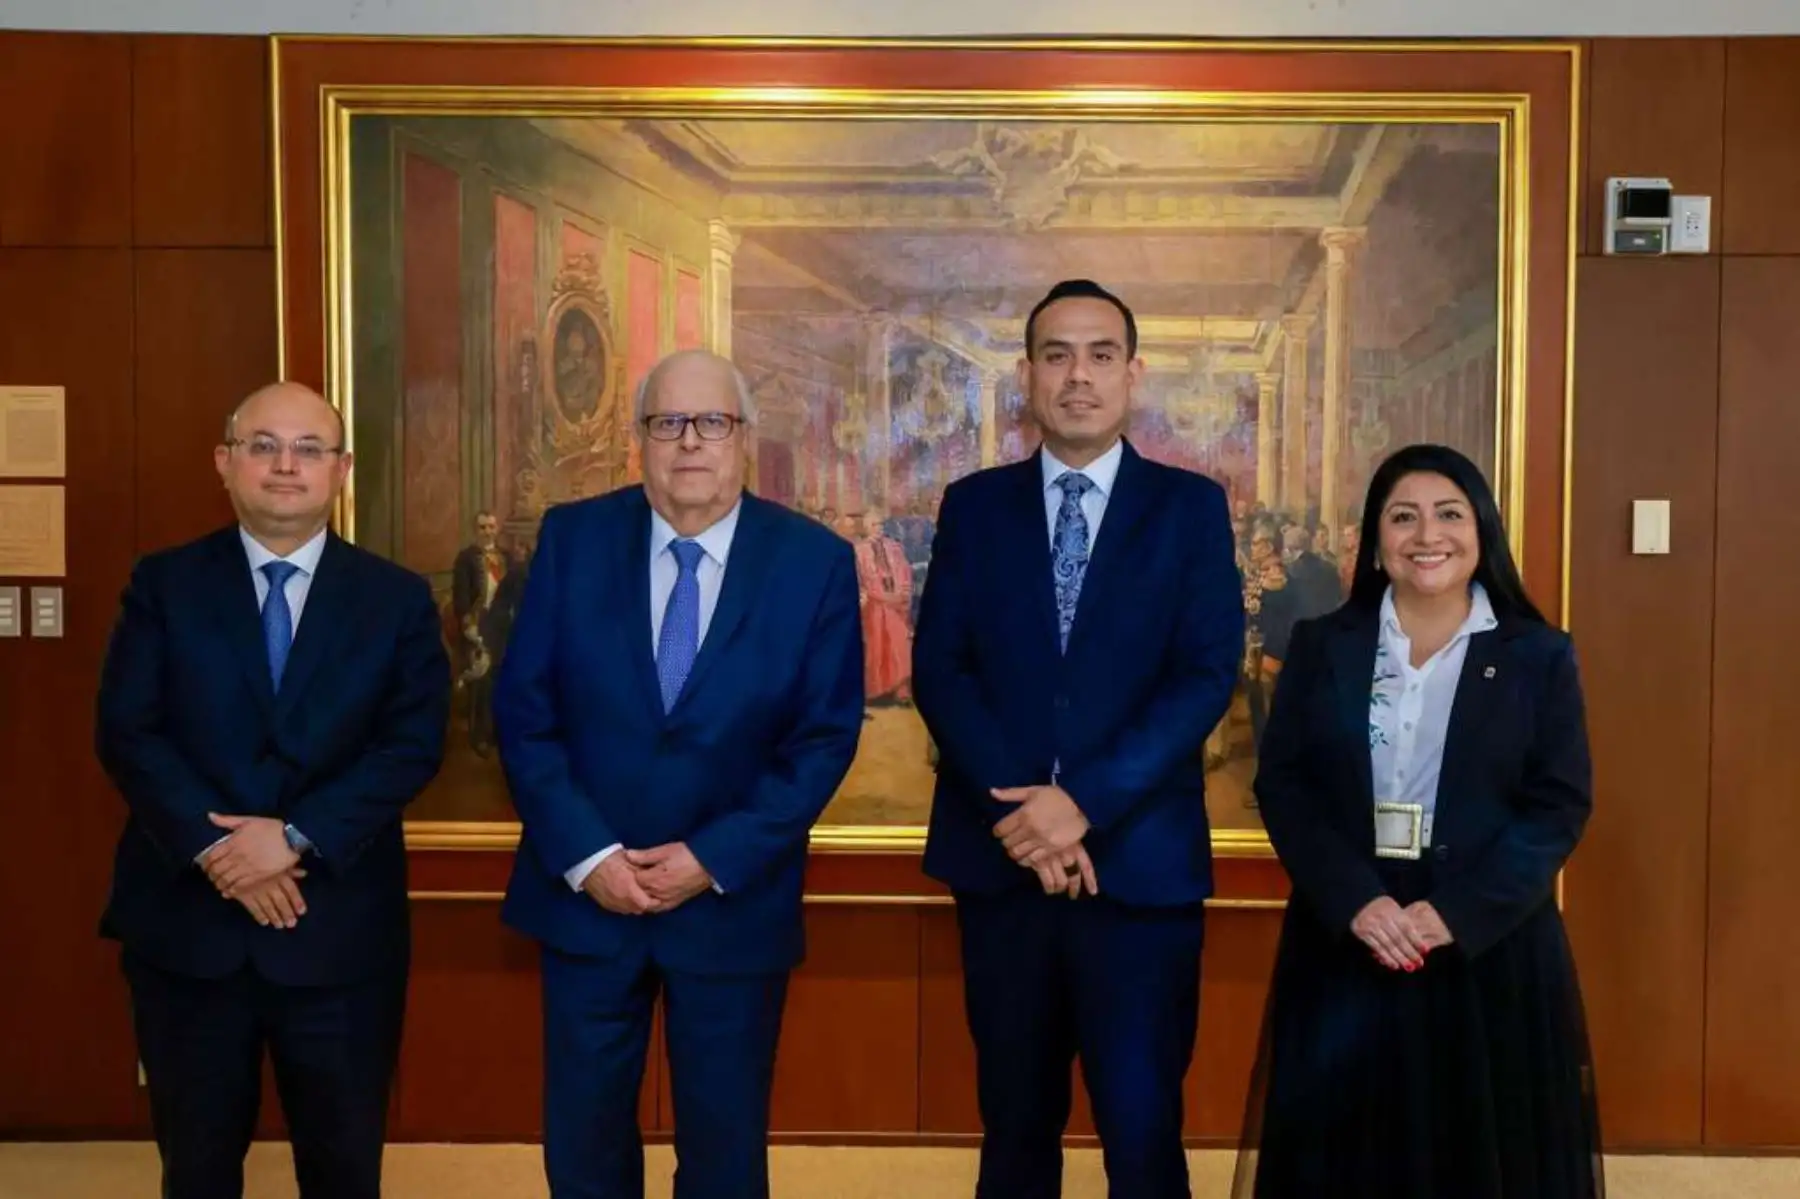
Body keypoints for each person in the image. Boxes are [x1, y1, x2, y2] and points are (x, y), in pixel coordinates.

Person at [494, 349, 865, 1199]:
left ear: (744, 438)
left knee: (725, 1153)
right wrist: (591, 856)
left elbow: (822, 740)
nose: (689, 442)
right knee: (584, 1148)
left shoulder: (811, 561)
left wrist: (712, 857)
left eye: (712, 423)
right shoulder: (571, 538)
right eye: (668, 423)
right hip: (589, 898)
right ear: (641, 439)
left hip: (731, 902)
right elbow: (524, 713)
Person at [913, 279, 1245, 1198]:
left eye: (1101, 355)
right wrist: (1029, 815)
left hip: (1138, 869)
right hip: (1003, 864)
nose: (1078, 376)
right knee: (1015, 1127)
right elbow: (942, 671)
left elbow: (1203, 676)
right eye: (1056, 354)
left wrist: (1082, 804)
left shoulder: (1190, 509)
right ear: (1028, 375)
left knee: (1143, 1131)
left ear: (1133, 374)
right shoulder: (973, 507)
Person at [95, 382, 450, 1199]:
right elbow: (127, 731)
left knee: (344, 1168)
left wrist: (289, 838)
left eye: (308, 448)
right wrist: (222, 849)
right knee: (196, 1166)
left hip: (339, 934)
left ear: (341, 470)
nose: (285, 465)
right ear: (225, 463)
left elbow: (411, 744)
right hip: (189, 932)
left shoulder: (395, 600)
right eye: (262, 445)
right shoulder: (165, 584)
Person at [1232, 443, 1604, 1199]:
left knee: (1479, 1149)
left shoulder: (1537, 654)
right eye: (1403, 517)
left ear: (1481, 530)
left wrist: (1454, 914)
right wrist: (1357, 902)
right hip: (1352, 927)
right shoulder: (1324, 644)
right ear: (1375, 538)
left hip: (1484, 938)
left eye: (1448, 514)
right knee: (1347, 1151)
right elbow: (1286, 784)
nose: (1425, 534)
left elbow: (1557, 802)